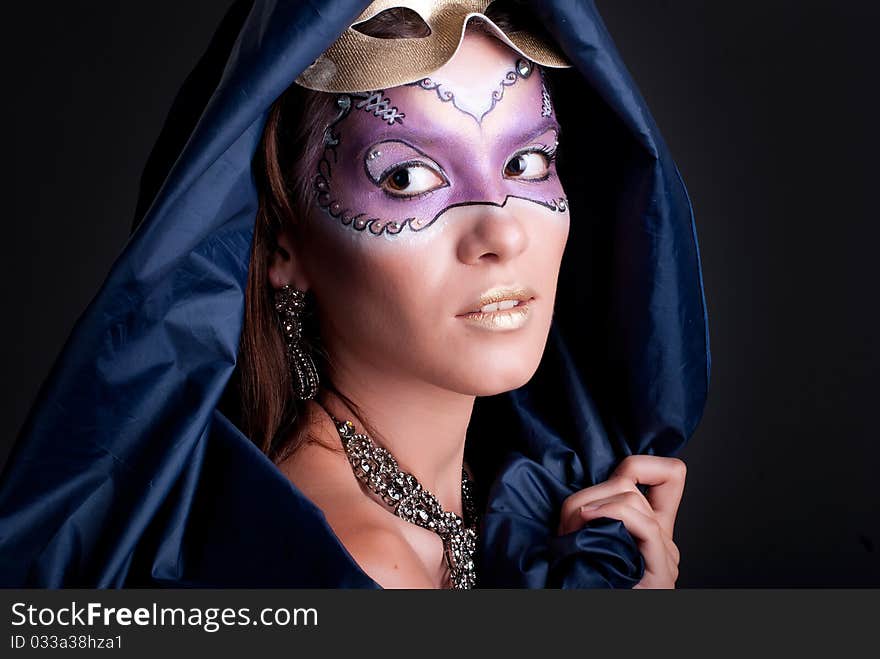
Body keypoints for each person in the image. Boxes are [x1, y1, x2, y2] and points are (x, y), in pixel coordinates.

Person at [0, 0, 710, 589]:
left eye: (527, 161)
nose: (502, 231)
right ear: (285, 247)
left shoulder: (506, 491)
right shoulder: (356, 560)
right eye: (408, 178)